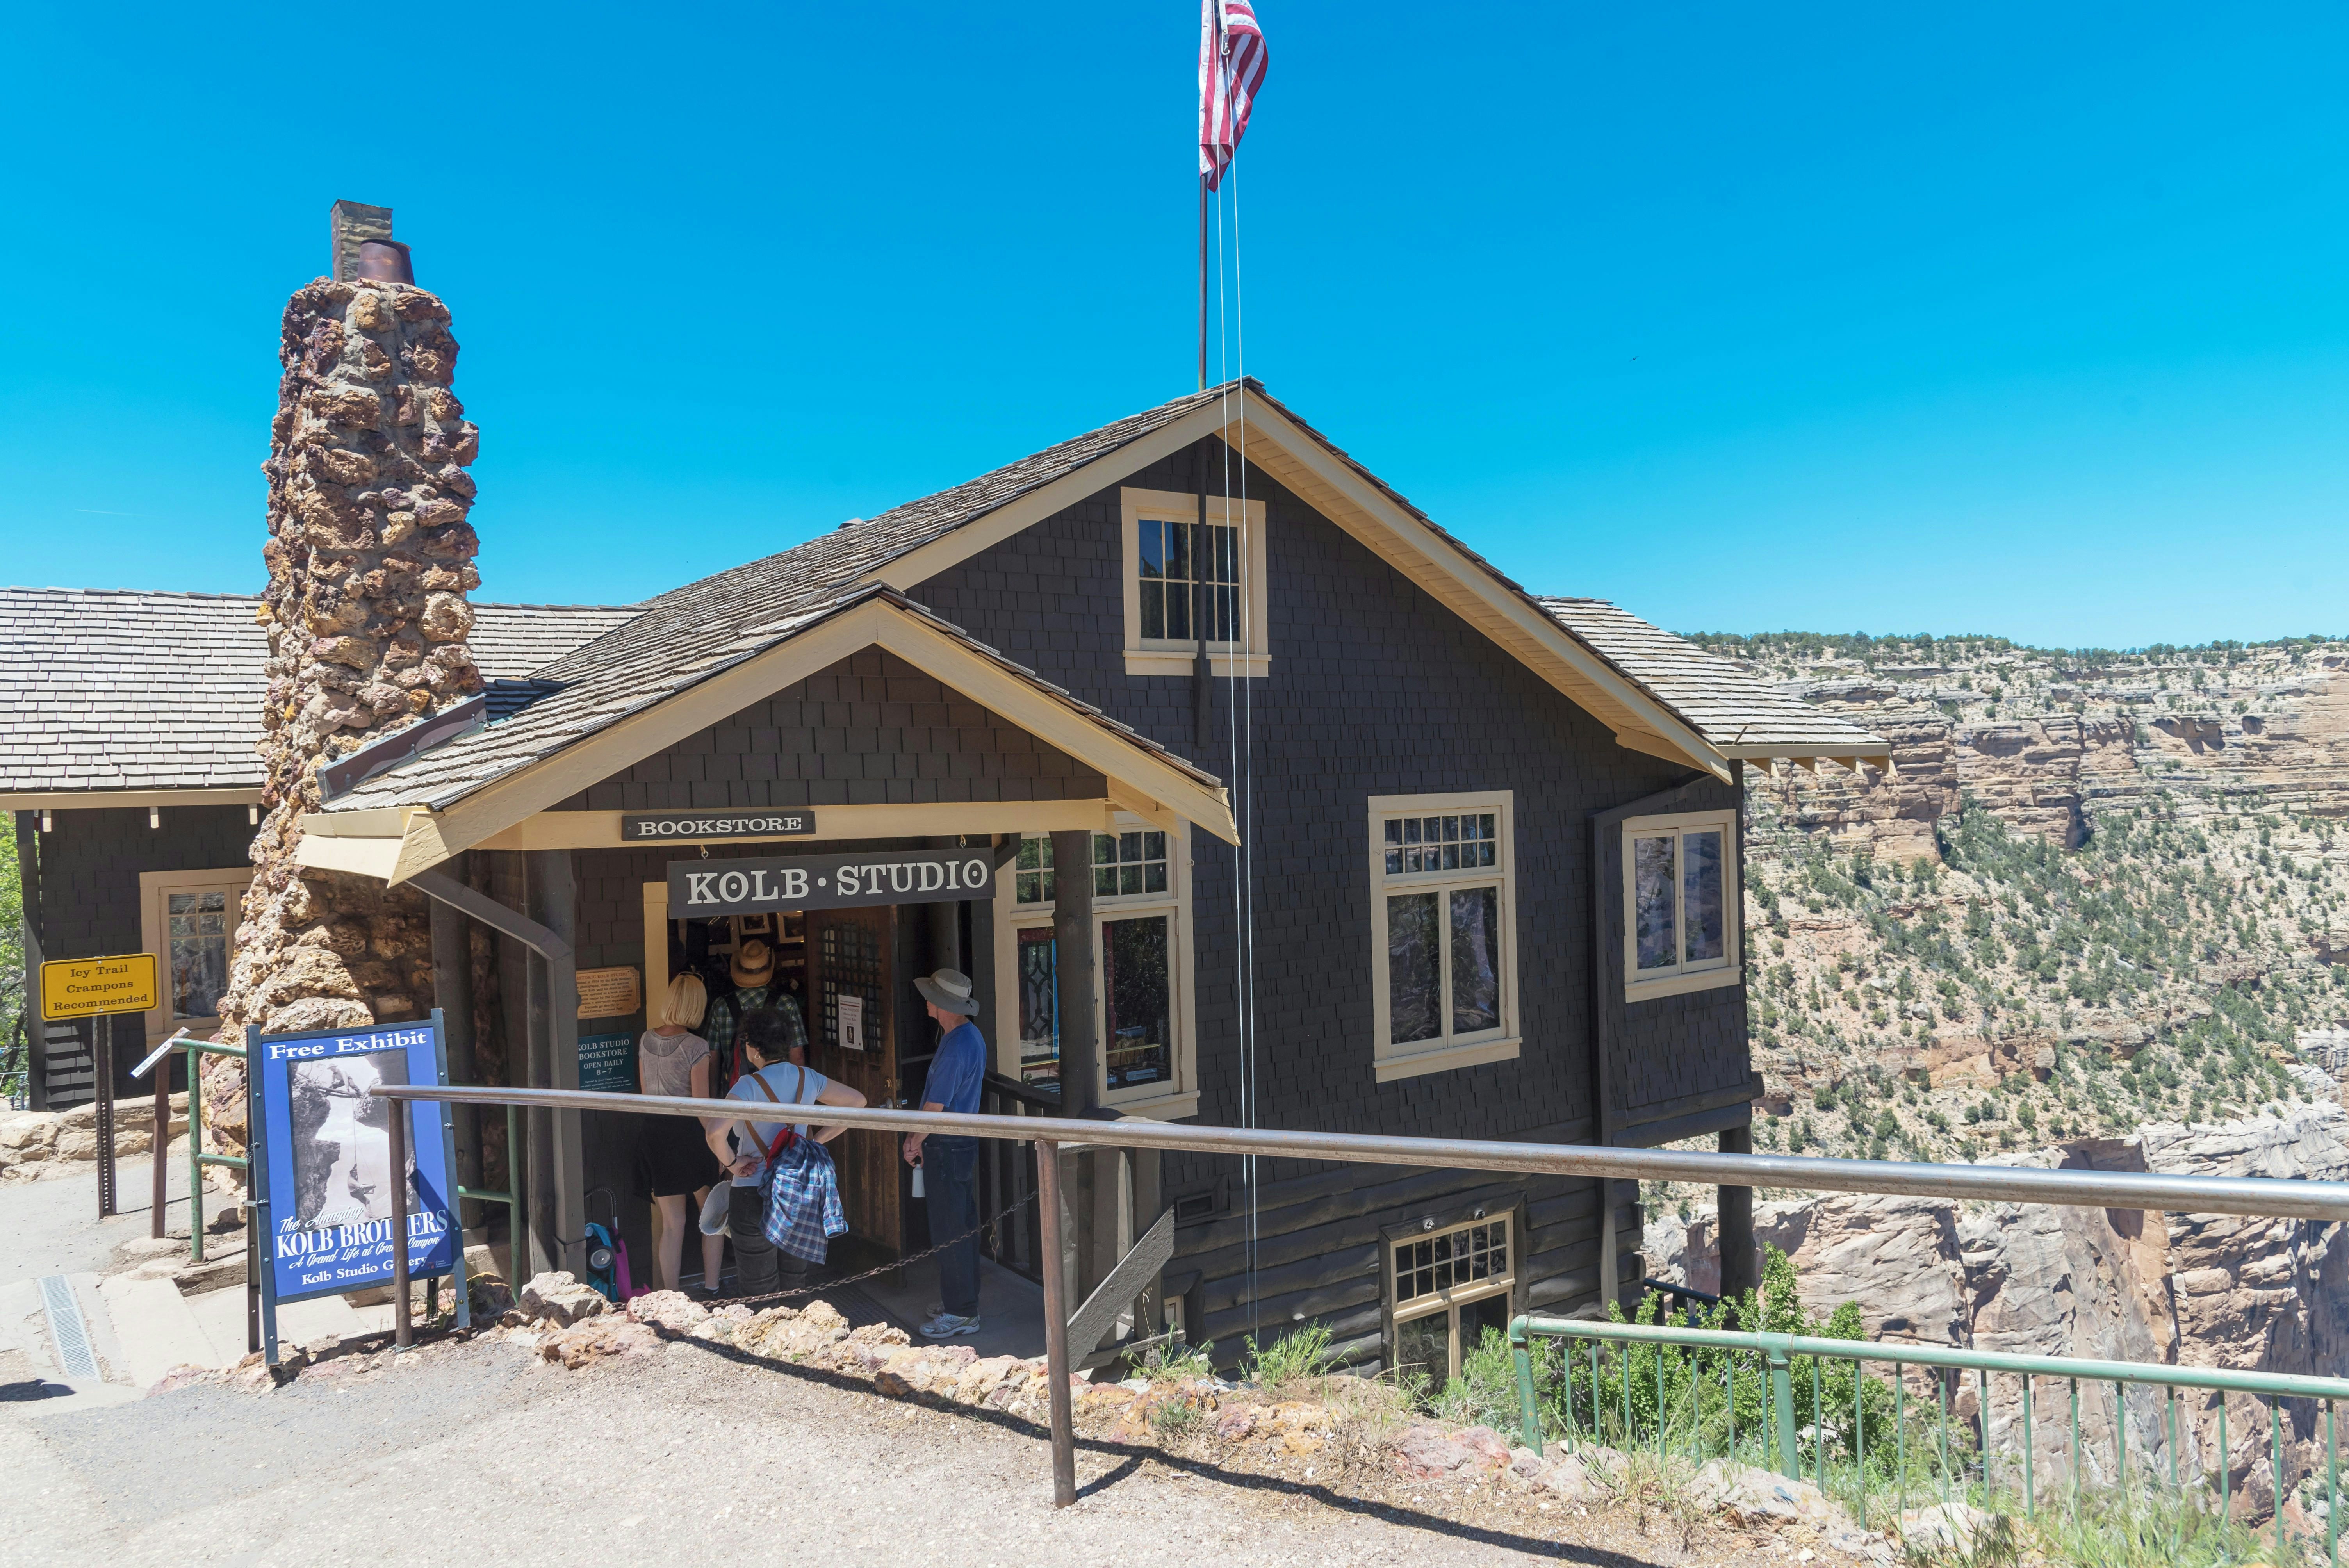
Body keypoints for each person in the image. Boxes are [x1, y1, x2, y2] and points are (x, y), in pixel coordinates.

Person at [706, 1006, 864, 1296]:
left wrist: (731, 1163)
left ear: (754, 1050)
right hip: (798, 1193)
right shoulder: (808, 1078)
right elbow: (858, 1102)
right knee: (795, 1289)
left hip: (752, 1189)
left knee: (759, 1295)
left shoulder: (747, 1086)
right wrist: (815, 1142)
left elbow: (715, 1133)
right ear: (786, 1044)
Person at [903, 968, 986, 1338]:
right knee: (963, 1226)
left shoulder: (956, 1046)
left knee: (950, 1230)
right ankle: (963, 1302)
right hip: (961, 1142)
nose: (926, 1001)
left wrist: (913, 1139)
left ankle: (961, 1312)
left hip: (947, 1144)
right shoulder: (968, 1036)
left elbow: (936, 1106)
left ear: (944, 1005)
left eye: (932, 996)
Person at [636, 973, 725, 1296]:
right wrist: (721, 1147)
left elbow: (647, 1096)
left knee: (673, 1225)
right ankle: (713, 1288)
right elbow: (701, 1107)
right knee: (712, 1218)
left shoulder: (645, 1040)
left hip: (654, 1133)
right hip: (689, 1136)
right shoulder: (697, 1046)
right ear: (696, 1006)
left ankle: (671, 1297)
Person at [701, 937, 807, 1088]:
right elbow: (798, 1056)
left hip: (736, 1090)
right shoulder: (787, 1004)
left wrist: (714, 1099)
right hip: (778, 1090)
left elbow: (712, 1059)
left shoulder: (721, 1006)